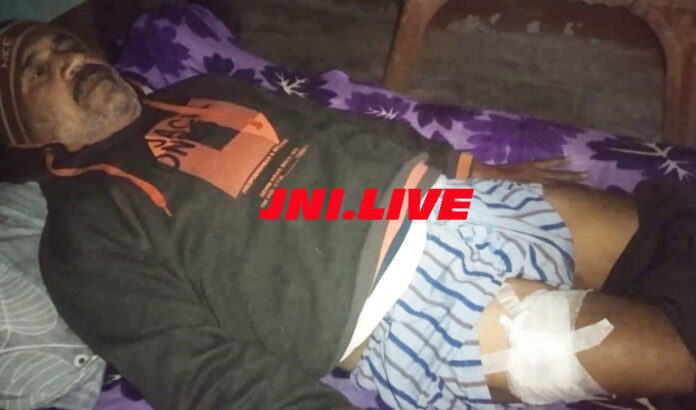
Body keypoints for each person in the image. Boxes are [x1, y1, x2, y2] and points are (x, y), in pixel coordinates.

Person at [0, 21, 693, 409]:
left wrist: (469, 170)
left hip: (439, 198)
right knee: (676, 349)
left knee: (674, 230)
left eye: (65, 45)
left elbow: (338, 127)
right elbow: (200, 371)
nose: (68, 59)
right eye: (36, 70)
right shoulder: (81, 237)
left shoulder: (201, 89)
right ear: (21, 138)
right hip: (403, 306)